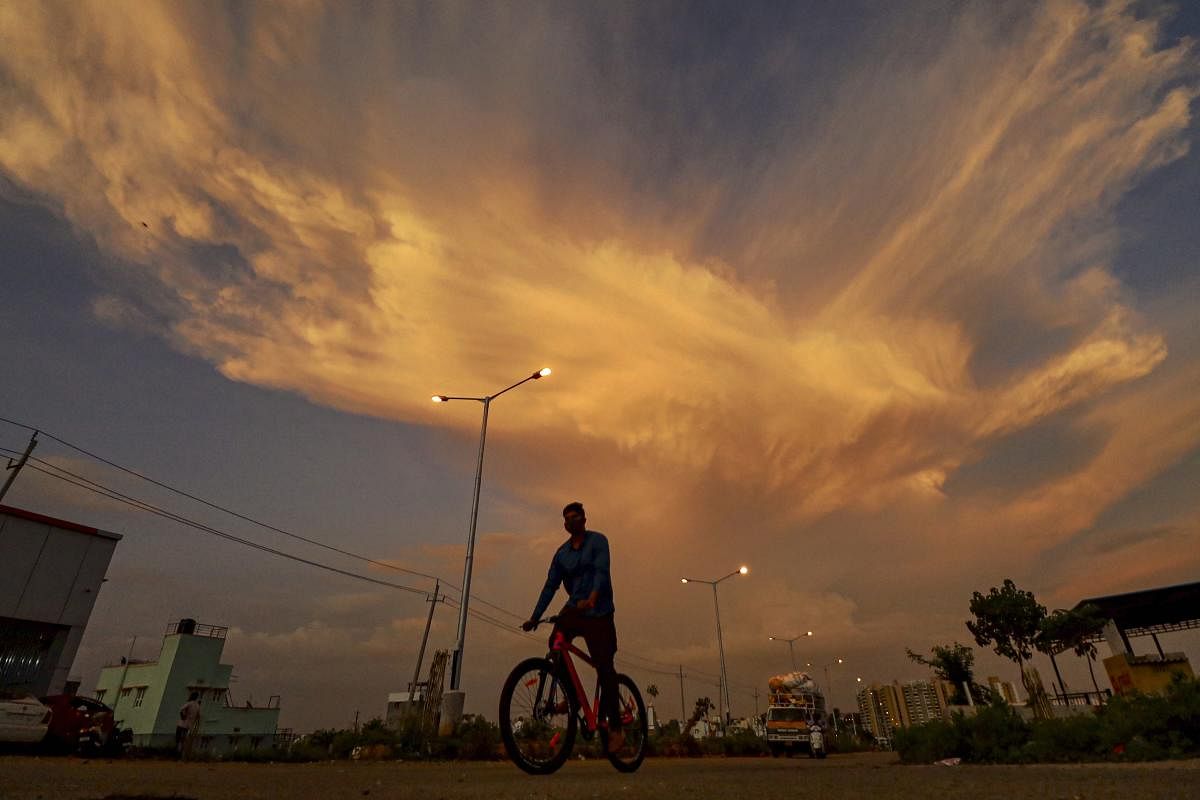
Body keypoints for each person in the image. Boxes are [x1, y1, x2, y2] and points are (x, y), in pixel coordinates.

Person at [523, 502, 623, 753]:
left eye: (575, 517)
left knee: (604, 666)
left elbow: (602, 572)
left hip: (599, 611)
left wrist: (593, 596)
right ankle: (574, 698)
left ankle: (616, 727)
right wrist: (535, 617)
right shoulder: (561, 554)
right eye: (567, 518)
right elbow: (550, 586)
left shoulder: (598, 541)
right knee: (556, 643)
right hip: (574, 609)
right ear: (564, 525)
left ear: (584, 519)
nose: (571, 521)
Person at [176, 691, 201, 757]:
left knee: (178, 740)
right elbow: (198, 717)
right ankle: (181, 754)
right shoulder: (197, 706)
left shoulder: (189, 703)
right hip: (189, 726)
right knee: (183, 740)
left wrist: (183, 716)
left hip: (182, 724)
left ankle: (177, 754)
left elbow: (181, 709)